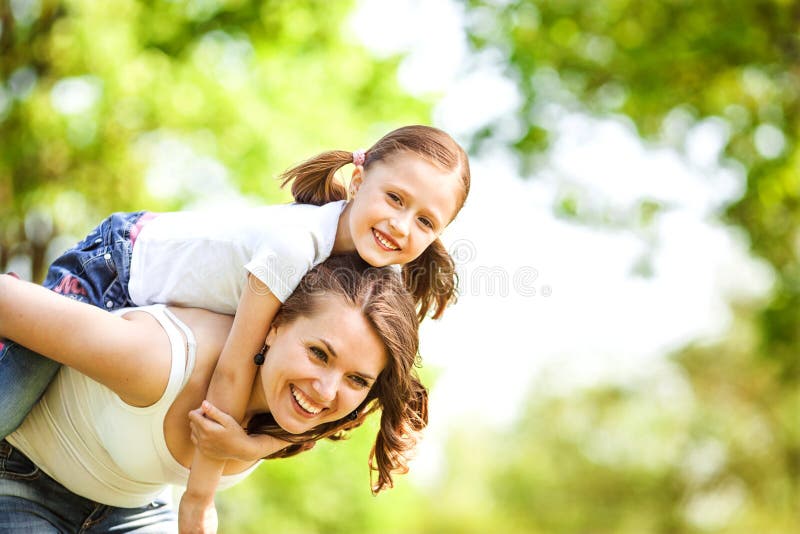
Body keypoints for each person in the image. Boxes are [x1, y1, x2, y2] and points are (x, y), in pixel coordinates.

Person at [0, 124, 469, 530]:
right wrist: (200, 499)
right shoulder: (295, 245)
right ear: (359, 178)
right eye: (394, 198)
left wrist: (252, 442)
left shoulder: (374, 278)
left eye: (425, 221)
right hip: (117, 266)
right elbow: (233, 366)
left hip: (134, 435)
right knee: (9, 403)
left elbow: (331, 400)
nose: (401, 226)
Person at [0, 255, 427, 533]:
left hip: (132, 508)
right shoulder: (159, 360)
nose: (327, 390)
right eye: (318, 353)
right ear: (273, 326)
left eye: (357, 380)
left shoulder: (298, 411)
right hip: (24, 482)